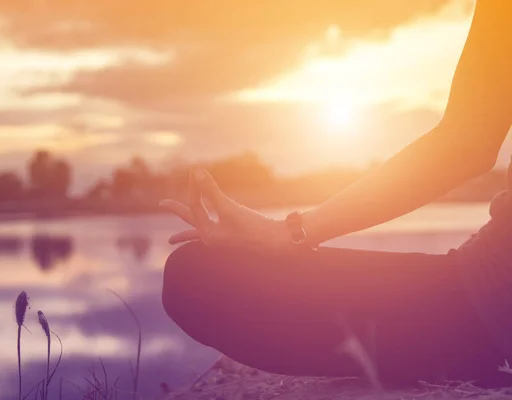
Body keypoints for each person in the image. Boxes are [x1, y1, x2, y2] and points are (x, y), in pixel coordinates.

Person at [160, 0, 511, 388]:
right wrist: (291, 231)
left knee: (198, 279)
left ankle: (460, 356)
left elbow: (465, 143)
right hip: (486, 293)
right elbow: (466, 145)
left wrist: (290, 233)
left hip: (485, 303)